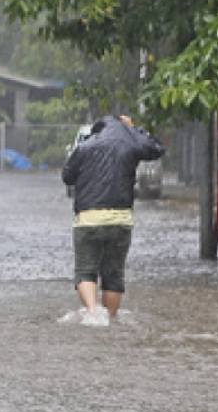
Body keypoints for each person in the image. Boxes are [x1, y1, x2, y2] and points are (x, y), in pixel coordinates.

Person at [60, 115, 164, 326]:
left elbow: (67, 177)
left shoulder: (85, 146)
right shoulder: (131, 144)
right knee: (114, 276)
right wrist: (135, 131)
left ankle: (92, 313)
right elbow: (157, 148)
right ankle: (111, 320)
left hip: (88, 219)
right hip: (120, 219)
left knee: (85, 271)